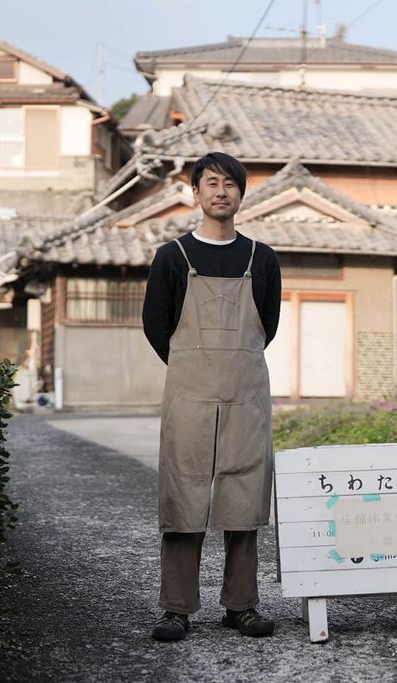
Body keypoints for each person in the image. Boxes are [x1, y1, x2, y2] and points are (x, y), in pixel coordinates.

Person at [142, 152, 282, 641]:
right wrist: (193, 366)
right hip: (189, 396)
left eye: (230, 184)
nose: (221, 192)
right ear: (196, 193)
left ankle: (241, 606)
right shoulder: (171, 257)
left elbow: (267, 325)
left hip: (247, 395)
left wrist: (231, 363)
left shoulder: (261, 258)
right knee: (184, 496)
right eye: (211, 183)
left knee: (244, 498)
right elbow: (156, 328)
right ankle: (176, 609)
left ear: (242, 194)